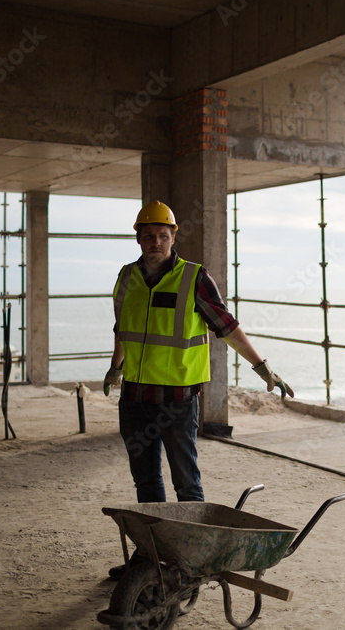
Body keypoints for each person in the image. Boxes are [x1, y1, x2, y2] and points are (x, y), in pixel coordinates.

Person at [103, 201, 292, 578]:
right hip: (137, 398)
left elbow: (227, 327)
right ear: (138, 239)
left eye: (162, 235)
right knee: (145, 479)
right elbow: (121, 327)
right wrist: (115, 367)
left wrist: (262, 368)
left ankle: (194, 560)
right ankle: (150, 555)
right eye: (148, 236)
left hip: (177, 398)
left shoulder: (194, 278)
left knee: (185, 481)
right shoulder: (127, 277)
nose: (155, 242)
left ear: (173, 238)